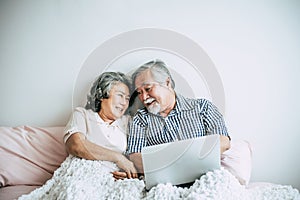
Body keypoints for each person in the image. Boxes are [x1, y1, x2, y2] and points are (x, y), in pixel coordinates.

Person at [126, 60, 231, 173]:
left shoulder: (202, 107)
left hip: (203, 175)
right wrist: (171, 168)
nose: (144, 97)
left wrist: (188, 162)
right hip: (164, 182)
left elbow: (224, 142)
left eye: (148, 89)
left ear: (167, 83)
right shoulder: (140, 119)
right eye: (139, 92)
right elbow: (135, 156)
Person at [64, 71, 138, 179]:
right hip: (83, 175)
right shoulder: (82, 115)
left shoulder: (129, 122)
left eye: (127, 98)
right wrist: (118, 158)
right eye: (120, 95)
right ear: (102, 95)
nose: (124, 103)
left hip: (115, 179)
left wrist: (130, 173)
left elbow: (137, 156)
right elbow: (76, 145)